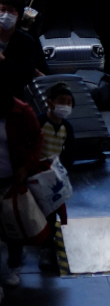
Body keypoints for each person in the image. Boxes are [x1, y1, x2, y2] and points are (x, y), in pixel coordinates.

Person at [0, 81, 43, 287]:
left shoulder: (21, 111)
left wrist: (26, 167)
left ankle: (14, 265)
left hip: (12, 177)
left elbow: (37, 139)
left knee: (13, 223)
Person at [0, 0, 47, 94]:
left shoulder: (26, 41)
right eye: (2, 10)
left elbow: (25, 76)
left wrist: (3, 60)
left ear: (18, 16)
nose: (6, 14)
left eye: (11, 11)